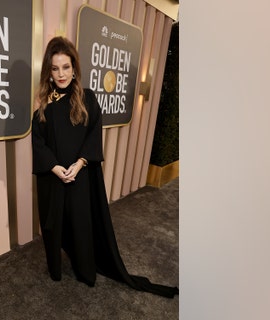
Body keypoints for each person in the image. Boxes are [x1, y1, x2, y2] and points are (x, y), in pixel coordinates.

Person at [31, 36, 178, 298]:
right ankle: (55, 269)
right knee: (53, 224)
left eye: (66, 67)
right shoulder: (44, 105)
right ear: (48, 72)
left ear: (74, 68)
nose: (61, 74)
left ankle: (85, 269)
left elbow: (93, 134)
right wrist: (55, 168)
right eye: (55, 68)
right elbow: (39, 142)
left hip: (80, 174)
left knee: (79, 222)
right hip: (52, 177)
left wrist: (78, 165)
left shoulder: (87, 98)